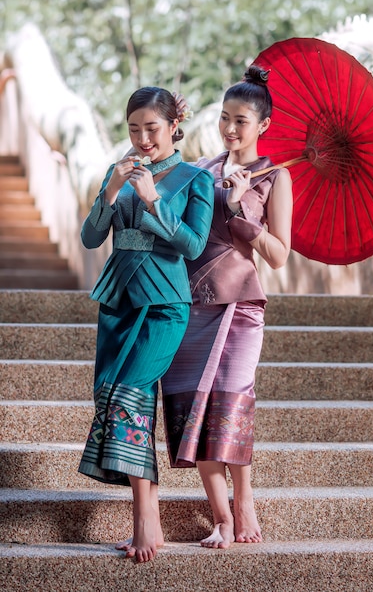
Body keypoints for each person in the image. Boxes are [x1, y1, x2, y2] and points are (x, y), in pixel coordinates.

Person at [77, 86, 214, 563]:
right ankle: (145, 514)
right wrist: (112, 190)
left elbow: (193, 246)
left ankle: (145, 520)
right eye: (133, 130)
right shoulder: (119, 172)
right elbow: (92, 237)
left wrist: (155, 200)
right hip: (117, 301)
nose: (142, 139)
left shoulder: (195, 178)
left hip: (164, 305)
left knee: (129, 395)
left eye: (151, 129)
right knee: (111, 396)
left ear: (175, 125)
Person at [161, 65, 293, 549]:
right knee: (190, 409)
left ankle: (244, 499)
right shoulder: (198, 171)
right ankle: (221, 518)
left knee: (231, 407)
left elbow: (279, 256)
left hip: (241, 307)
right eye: (224, 118)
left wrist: (240, 209)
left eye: (241, 120)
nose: (230, 129)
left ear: (264, 126)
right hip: (190, 305)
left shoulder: (276, 177)